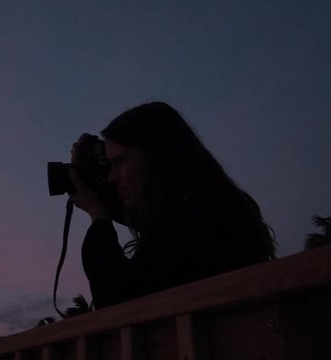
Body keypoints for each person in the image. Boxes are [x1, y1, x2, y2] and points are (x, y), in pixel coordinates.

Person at [68, 102, 276, 309]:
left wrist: (98, 217)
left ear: (157, 156)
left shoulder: (204, 219)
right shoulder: (213, 205)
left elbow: (119, 301)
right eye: (109, 165)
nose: (111, 177)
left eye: (120, 162)